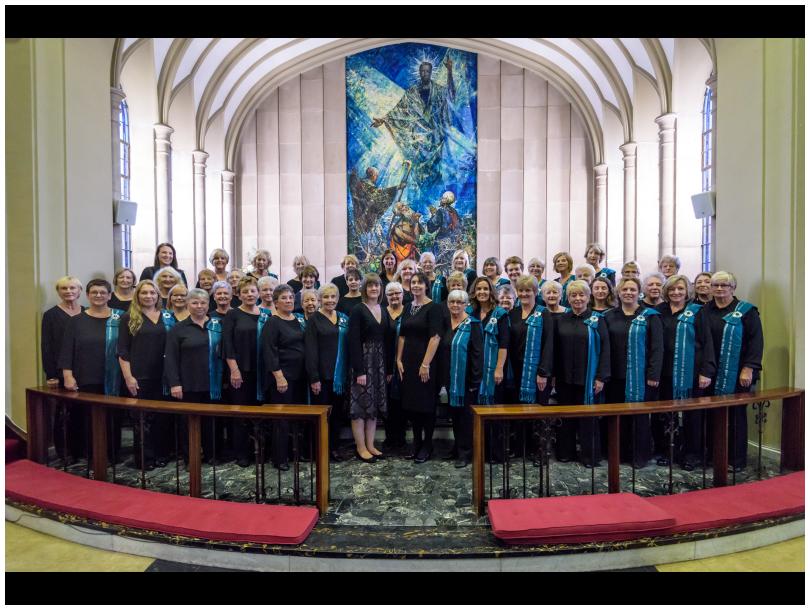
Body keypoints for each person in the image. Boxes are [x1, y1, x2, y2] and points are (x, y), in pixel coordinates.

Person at [59, 279, 125, 461]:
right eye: (94, 292)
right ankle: (90, 453)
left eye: (103, 292)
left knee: (113, 417)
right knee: (87, 417)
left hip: (114, 377)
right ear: (87, 295)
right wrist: (68, 375)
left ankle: (111, 453)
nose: (98, 295)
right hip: (86, 376)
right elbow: (67, 349)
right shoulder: (76, 321)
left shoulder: (120, 318)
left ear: (110, 295)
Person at [655, 275, 716, 469]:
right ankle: (669, 451)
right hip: (665, 372)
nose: (676, 292)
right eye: (672, 289)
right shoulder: (658, 311)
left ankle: (692, 455)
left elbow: (707, 342)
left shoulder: (698, 312)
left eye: (680, 289)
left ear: (687, 291)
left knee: (692, 417)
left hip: (691, 371)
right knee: (666, 415)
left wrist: (706, 371)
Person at [705, 271, 763, 471]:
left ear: (733, 288)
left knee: (736, 416)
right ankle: (715, 455)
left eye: (724, 285)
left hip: (738, 373)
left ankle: (736, 459)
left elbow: (756, 341)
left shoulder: (746, 311)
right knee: (712, 415)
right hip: (711, 372)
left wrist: (749, 368)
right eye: (716, 285)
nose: (720, 289)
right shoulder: (706, 310)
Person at [604, 277, 664, 468]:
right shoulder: (609, 316)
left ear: (639, 292)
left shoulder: (650, 316)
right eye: (625, 289)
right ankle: (619, 454)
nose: (628, 292)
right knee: (618, 417)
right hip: (615, 376)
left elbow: (657, 348)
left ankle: (639, 456)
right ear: (618, 293)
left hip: (641, 377)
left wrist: (653, 375)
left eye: (632, 289)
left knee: (639, 418)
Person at [372, 57, 456, 189]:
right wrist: (384, 119)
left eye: (427, 71)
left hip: (434, 137)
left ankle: (433, 186)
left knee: (433, 170)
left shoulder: (438, 90)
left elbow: (451, 94)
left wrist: (450, 71)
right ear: (419, 72)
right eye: (422, 71)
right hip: (417, 137)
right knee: (418, 169)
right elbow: (399, 109)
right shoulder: (412, 92)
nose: (424, 74)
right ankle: (419, 186)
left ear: (431, 72)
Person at [553, 280, 610, 465]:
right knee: (566, 419)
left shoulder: (597, 320)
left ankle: (589, 456)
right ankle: (565, 453)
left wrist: (601, 377)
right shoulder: (561, 319)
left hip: (588, 379)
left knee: (588, 419)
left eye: (581, 295)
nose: (577, 298)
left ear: (588, 297)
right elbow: (555, 349)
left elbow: (605, 350)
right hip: (564, 379)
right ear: (567, 298)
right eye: (573, 295)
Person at [163, 288, 224, 463]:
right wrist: (174, 383)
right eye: (195, 303)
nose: (199, 306)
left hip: (213, 384)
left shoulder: (217, 325)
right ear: (188, 304)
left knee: (211, 423)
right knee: (187, 424)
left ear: (208, 304)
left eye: (203, 303)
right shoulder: (178, 329)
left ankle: (213, 455)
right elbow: (171, 358)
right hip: (188, 384)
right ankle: (191, 457)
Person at [117, 280, 170, 469]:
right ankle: (144, 458)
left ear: (158, 296)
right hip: (139, 377)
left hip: (163, 377)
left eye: (152, 293)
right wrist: (128, 377)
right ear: (137, 295)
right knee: (141, 420)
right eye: (144, 293)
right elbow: (122, 351)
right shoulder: (129, 317)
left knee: (161, 420)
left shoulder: (166, 316)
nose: (148, 296)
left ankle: (160, 455)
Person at [397, 272, 444, 464]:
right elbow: (402, 336)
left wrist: (425, 364)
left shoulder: (434, 308)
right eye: (413, 282)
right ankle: (416, 443)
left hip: (426, 363)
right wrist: (398, 360)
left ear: (426, 285)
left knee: (426, 406)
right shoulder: (408, 307)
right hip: (408, 362)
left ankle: (427, 445)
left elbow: (436, 337)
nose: (415, 285)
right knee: (412, 405)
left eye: (419, 282)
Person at [261, 284, 307, 470]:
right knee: (282, 419)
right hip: (282, 377)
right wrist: (279, 377)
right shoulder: (272, 322)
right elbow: (269, 352)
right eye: (284, 298)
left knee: (297, 417)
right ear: (276, 302)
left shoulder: (298, 319)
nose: (288, 301)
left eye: (290, 297)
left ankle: (294, 453)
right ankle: (279, 458)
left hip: (299, 376)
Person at [223, 277, 267, 467]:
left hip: (263, 372)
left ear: (258, 293)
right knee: (241, 414)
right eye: (245, 291)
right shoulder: (232, 315)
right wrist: (234, 370)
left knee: (262, 414)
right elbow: (228, 345)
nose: (250, 294)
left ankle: (262, 451)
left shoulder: (266, 314)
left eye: (253, 291)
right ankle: (242, 453)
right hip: (241, 372)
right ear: (238, 294)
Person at [347, 273, 391, 462]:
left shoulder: (383, 308)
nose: (374, 288)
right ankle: (360, 447)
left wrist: (387, 369)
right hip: (363, 363)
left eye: (377, 285)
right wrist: (359, 371)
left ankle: (371, 445)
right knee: (360, 406)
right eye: (370, 285)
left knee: (372, 406)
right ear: (364, 289)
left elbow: (388, 340)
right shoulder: (358, 309)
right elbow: (353, 341)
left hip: (379, 363)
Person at [41, 276, 85, 464]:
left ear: (80, 291)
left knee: (82, 413)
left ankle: (82, 448)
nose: (69, 291)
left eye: (73, 288)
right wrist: (51, 374)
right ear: (58, 291)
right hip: (61, 372)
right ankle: (64, 451)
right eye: (64, 288)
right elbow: (47, 347)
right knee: (63, 413)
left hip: (85, 370)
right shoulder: (51, 315)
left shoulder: (86, 312)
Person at [306, 283, 350, 462]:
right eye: (326, 297)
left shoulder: (344, 318)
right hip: (321, 377)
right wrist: (314, 378)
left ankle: (334, 448)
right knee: (322, 416)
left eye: (333, 297)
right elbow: (311, 350)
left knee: (337, 415)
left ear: (338, 299)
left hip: (339, 377)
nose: (330, 300)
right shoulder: (314, 319)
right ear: (320, 300)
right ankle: (319, 449)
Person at [441, 289, 482, 468]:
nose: (455, 305)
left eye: (459, 302)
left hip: (466, 380)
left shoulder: (473, 324)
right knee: (455, 416)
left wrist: (475, 381)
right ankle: (457, 447)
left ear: (466, 304)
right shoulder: (445, 322)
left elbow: (477, 354)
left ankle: (466, 453)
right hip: (451, 379)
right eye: (452, 302)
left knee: (465, 418)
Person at [469, 277, 509, 406]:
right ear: (474, 292)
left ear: (491, 291)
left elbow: (504, 345)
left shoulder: (500, 314)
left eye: (485, 289)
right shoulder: (469, 313)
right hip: (474, 368)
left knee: (494, 407)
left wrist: (499, 368)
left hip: (493, 369)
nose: (482, 292)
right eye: (479, 289)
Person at [383, 281, 407, 452]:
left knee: (403, 402)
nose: (394, 296)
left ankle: (401, 439)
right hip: (384, 364)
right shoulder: (381, 313)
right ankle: (390, 438)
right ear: (386, 296)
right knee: (388, 402)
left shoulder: (409, 313)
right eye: (390, 294)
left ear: (403, 294)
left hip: (406, 364)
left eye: (397, 293)